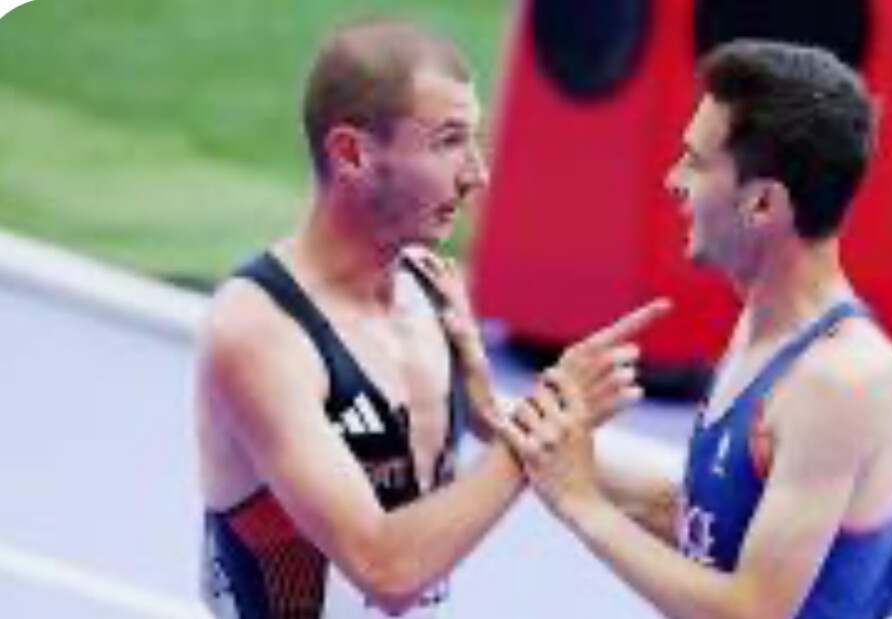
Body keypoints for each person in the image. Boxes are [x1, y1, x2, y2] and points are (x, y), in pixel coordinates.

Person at [194, 16, 667, 618]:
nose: (477, 173)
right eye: (447, 142)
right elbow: (386, 570)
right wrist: (544, 423)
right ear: (352, 153)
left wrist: (505, 424)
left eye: (473, 141)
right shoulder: (260, 332)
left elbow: (501, 451)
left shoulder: (431, 291)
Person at [499, 40, 892, 619]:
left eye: (695, 162)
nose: (673, 180)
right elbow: (710, 524)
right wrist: (523, 428)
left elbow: (751, 611)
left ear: (763, 204)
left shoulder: (842, 379)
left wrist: (583, 503)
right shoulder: (765, 326)